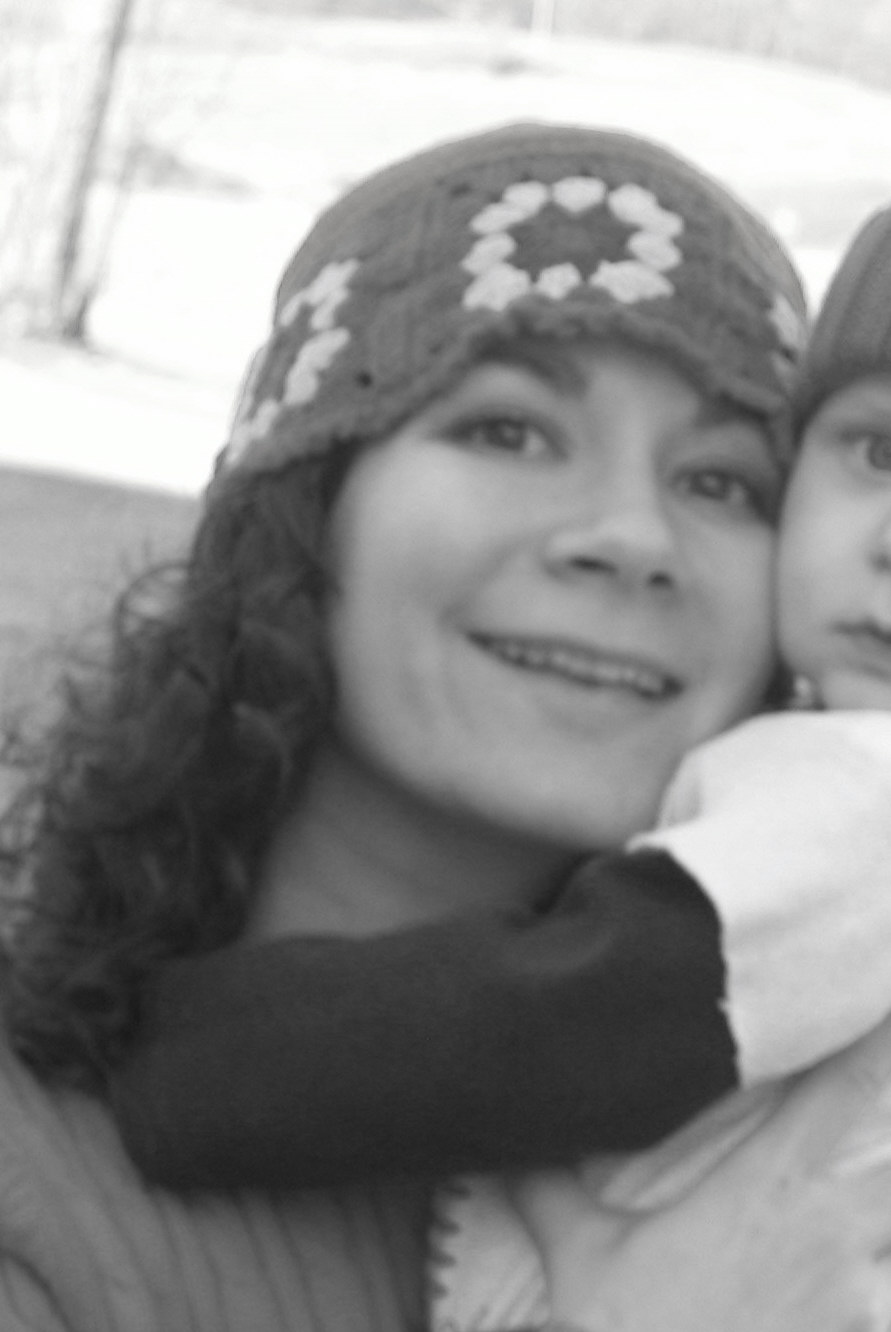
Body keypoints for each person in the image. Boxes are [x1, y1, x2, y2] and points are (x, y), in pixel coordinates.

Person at [0, 121, 880, 1331]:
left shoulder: (814, 1137)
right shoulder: (42, 1191)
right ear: (303, 513)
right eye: (508, 432)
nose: (632, 536)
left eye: (721, 482)